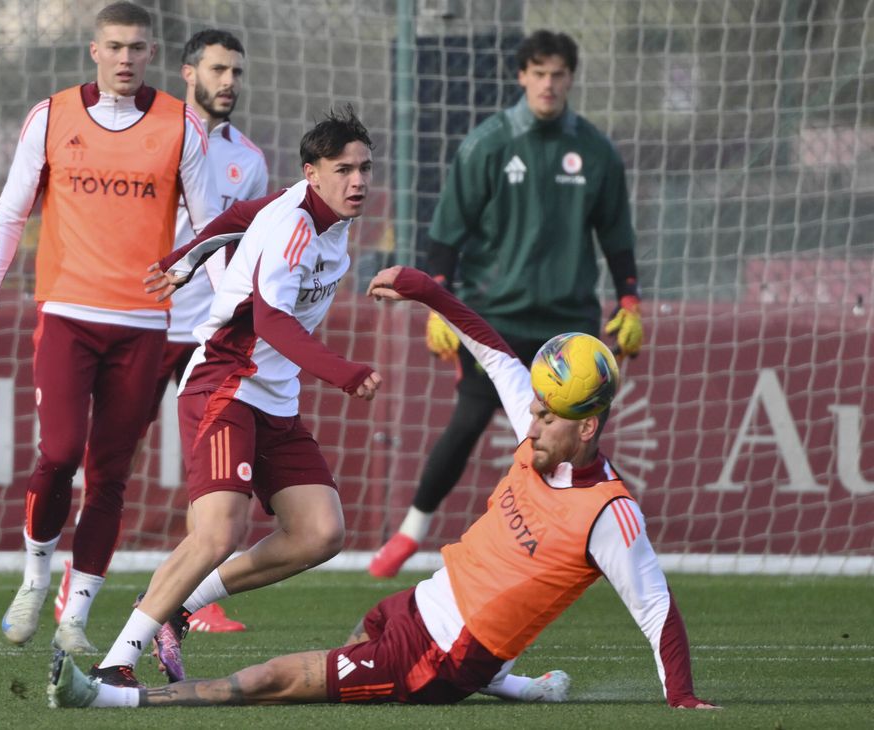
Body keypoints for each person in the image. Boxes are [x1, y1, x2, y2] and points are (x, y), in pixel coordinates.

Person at [48, 265, 718, 711]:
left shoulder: (609, 514)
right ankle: (511, 682)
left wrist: (683, 701)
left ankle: (108, 697)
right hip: (417, 605)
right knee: (354, 635)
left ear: (590, 427)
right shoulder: (540, 431)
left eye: (548, 417)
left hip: (437, 659)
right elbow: (492, 351)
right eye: (535, 410)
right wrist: (427, 290)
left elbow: (656, 608)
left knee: (276, 679)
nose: (530, 425)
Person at [82, 105, 382, 688]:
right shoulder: (294, 222)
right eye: (344, 169)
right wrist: (342, 372)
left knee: (320, 533)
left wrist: (184, 259)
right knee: (218, 532)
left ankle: (182, 603)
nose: (359, 181)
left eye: (365, 168)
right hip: (225, 385)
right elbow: (270, 321)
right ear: (312, 172)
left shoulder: (323, 214)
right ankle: (116, 661)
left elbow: (242, 211)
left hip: (274, 398)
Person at [0, 1, 221, 655]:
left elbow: (216, 231)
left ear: (152, 55)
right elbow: (10, 211)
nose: (126, 58)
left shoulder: (180, 126)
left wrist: (216, 301)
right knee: (58, 454)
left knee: (109, 475)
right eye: (115, 46)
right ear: (93, 50)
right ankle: (34, 577)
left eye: (137, 47)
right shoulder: (51, 116)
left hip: (143, 328)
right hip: (68, 316)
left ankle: (75, 616)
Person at [370, 29, 646, 578]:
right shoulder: (488, 143)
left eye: (558, 74)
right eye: (539, 73)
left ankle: (570, 544)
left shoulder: (595, 150)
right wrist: (439, 307)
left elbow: (617, 237)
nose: (548, 83)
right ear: (522, 76)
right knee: (470, 418)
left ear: (570, 78)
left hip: (569, 324)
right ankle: (410, 533)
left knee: (576, 439)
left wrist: (631, 300)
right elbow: (447, 235)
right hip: (496, 315)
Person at [52, 28, 269, 636]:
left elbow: (245, 246)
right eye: (218, 70)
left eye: (237, 72)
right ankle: (77, 569)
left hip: (212, 331)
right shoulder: (154, 135)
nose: (228, 82)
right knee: (111, 460)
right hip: (145, 320)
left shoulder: (248, 159)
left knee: (211, 467)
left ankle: (193, 596)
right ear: (188, 73)